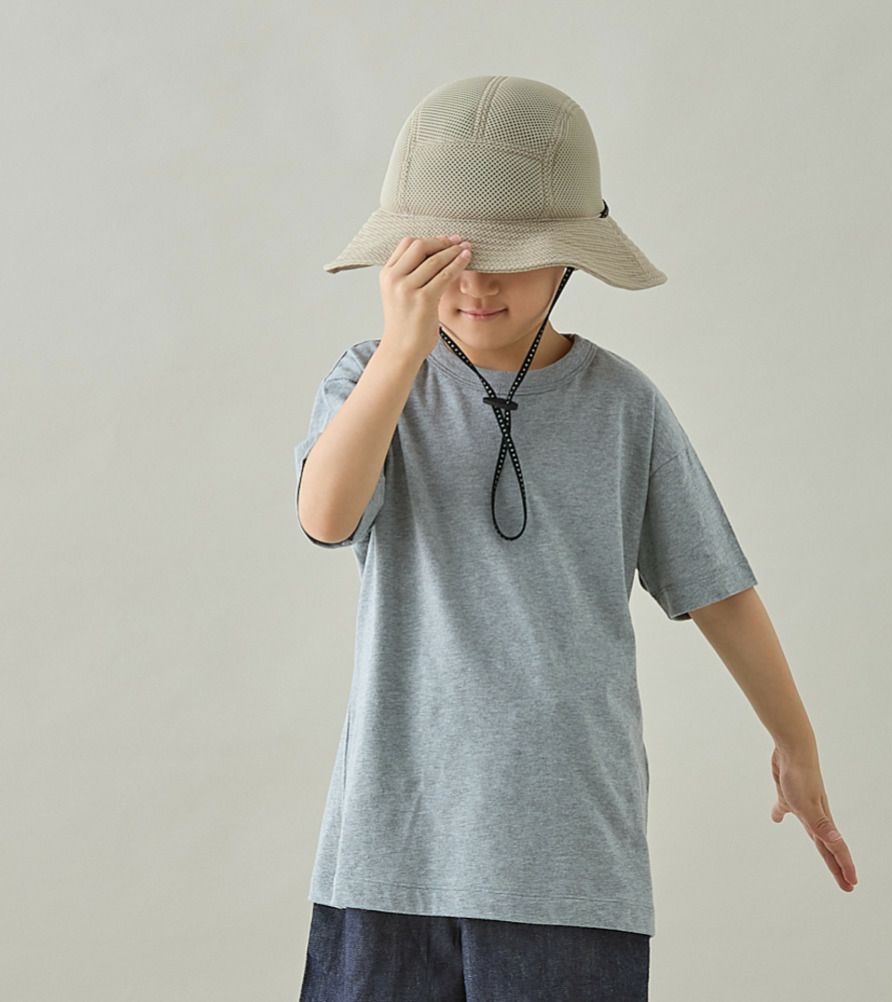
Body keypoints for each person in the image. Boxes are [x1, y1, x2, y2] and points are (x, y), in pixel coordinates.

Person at [293, 75, 857, 1002]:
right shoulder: (370, 382)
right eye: (447, 257)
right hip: (390, 858)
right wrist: (399, 354)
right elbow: (327, 516)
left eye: (509, 258)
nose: (476, 282)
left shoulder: (624, 407)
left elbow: (716, 587)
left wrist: (796, 746)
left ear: (569, 260)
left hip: (569, 867)